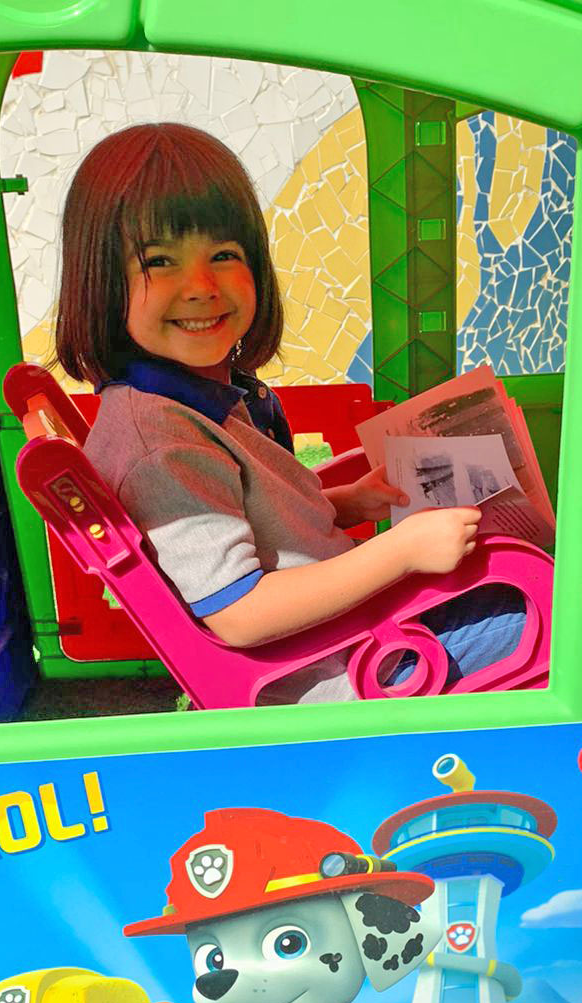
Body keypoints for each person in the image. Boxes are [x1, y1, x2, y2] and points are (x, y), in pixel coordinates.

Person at [56, 123, 526, 703]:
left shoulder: (188, 398)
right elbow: (240, 613)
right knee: (550, 615)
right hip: (351, 672)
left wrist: (347, 502)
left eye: (223, 254)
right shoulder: (161, 444)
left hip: (361, 633)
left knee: (518, 576)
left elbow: (245, 518)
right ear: (103, 283)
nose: (201, 285)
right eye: (160, 261)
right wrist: (401, 550)